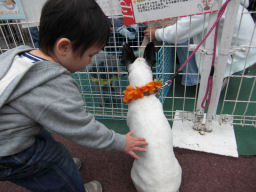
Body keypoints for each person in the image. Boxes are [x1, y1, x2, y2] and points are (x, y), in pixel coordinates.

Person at [0, 0, 148, 192]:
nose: (90, 61)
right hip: (8, 152)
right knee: (58, 163)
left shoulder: (17, 55)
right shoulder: (52, 83)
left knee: (45, 139)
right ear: (64, 47)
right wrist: (120, 141)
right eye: (90, 55)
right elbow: (82, 128)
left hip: (8, 131)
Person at [144, 0, 256, 87]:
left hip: (237, 55)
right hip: (246, 49)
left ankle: (199, 81)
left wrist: (156, 33)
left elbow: (179, 33)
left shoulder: (210, 3)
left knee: (183, 38)